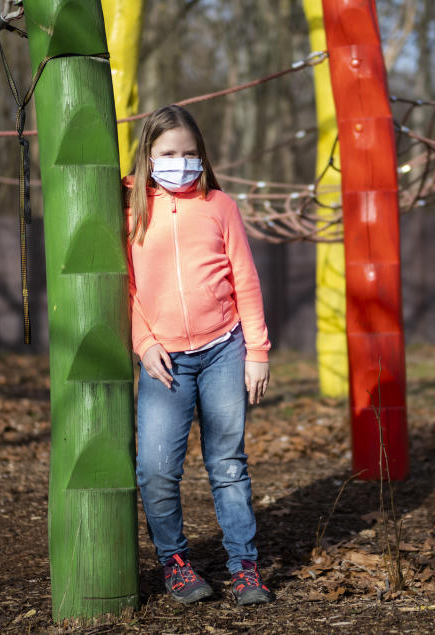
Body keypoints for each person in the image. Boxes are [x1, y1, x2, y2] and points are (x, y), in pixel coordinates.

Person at [124, 105, 275, 606]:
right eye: (168, 154)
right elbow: (124, 289)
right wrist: (144, 344)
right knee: (156, 467)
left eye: (190, 153)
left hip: (224, 349)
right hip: (164, 359)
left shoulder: (220, 205)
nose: (180, 163)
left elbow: (245, 280)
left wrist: (257, 350)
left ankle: (244, 567)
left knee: (227, 462)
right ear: (148, 155)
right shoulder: (128, 209)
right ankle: (176, 563)